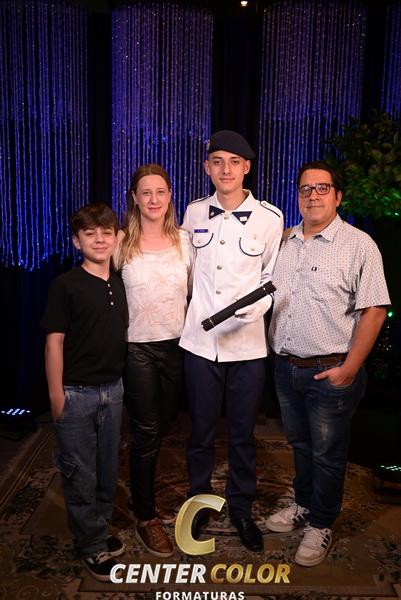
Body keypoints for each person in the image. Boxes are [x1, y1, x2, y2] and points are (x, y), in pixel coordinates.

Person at [267, 160, 390, 566]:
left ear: (338, 196)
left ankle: (321, 522)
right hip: (286, 367)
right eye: (305, 189)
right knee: (300, 445)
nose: (313, 195)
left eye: (322, 188)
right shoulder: (283, 242)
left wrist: (349, 369)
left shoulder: (359, 245)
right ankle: (304, 505)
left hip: (331, 370)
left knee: (327, 454)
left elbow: (374, 311)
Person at [179, 130, 284, 552]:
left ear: (247, 168)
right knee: (200, 432)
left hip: (247, 346)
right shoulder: (193, 212)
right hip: (200, 343)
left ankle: (241, 508)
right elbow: (185, 272)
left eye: (234, 162)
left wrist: (259, 307)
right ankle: (199, 504)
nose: (226, 169)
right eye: (218, 161)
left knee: (242, 434)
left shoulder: (270, 218)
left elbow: (273, 276)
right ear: (207, 167)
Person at [41, 203, 128, 582]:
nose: (99, 239)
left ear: (116, 238)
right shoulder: (66, 284)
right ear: (77, 241)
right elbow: (54, 342)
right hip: (75, 393)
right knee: (80, 472)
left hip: (113, 390)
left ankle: (98, 530)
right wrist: (55, 394)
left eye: (106, 232)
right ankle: (91, 545)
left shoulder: (119, 282)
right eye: (90, 234)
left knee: (107, 470)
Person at [115, 163, 193, 558]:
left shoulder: (185, 241)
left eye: (160, 192)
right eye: (145, 192)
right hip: (137, 349)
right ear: (134, 197)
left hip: (176, 346)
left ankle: (137, 483)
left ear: (169, 196)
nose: (153, 199)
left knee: (160, 427)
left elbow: (197, 290)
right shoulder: (120, 242)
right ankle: (146, 516)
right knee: (147, 432)